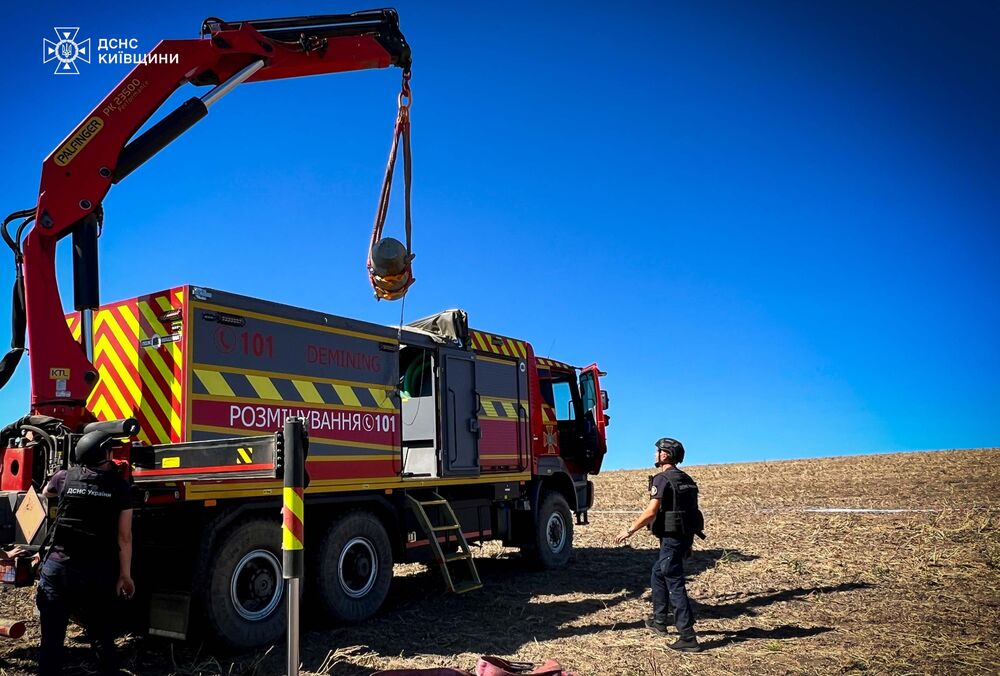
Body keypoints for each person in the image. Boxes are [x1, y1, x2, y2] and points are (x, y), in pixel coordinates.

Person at [36, 431, 134, 676]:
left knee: (51, 640)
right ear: (105, 454)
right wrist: (125, 576)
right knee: (102, 635)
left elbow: (46, 492)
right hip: (96, 572)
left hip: (57, 570)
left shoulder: (64, 478)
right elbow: (124, 537)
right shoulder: (120, 488)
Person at [615, 437, 703, 652]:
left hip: (671, 541)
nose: (655, 454)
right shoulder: (687, 479)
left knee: (675, 583)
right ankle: (659, 621)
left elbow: (651, 512)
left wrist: (629, 531)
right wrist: (688, 543)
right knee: (658, 573)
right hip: (681, 538)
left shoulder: (662, 479)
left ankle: (688, 637)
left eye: (658, 451)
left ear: (665, 455)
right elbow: (690, 513)